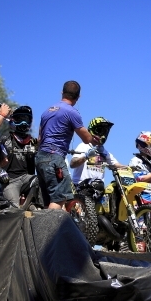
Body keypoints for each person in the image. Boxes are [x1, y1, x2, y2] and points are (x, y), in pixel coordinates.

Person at [35, 80, 101, 209]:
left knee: (47, 201)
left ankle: (43, 221)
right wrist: (92, 138)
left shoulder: (46, 112)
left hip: (40, 158)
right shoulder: (71, 112)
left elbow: (39, 139)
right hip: (54, 157)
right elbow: (86, 139)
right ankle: (50, 223)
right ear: (78, 97)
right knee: (60, 199)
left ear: (62, 92)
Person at [0, 106, 41, 207]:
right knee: (14, 209)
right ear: (13, 121)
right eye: (20, 119)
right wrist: (0, 171)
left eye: (26, 120)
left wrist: (38, 149)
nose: (24, 123)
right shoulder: (5, 139)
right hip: (10, 181)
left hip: (27, 178)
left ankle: (39, 208)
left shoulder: (33, 142)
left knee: (41, 180)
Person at [70, 117, 125, 185]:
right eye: (100, 130)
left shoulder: (104, 151)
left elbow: (116, 165)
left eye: (105, 132)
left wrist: (130, 168)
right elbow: (72, 164)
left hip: (97, 188)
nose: (103, 135)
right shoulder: (84, 146)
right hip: (81, 186)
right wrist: (86, 156)